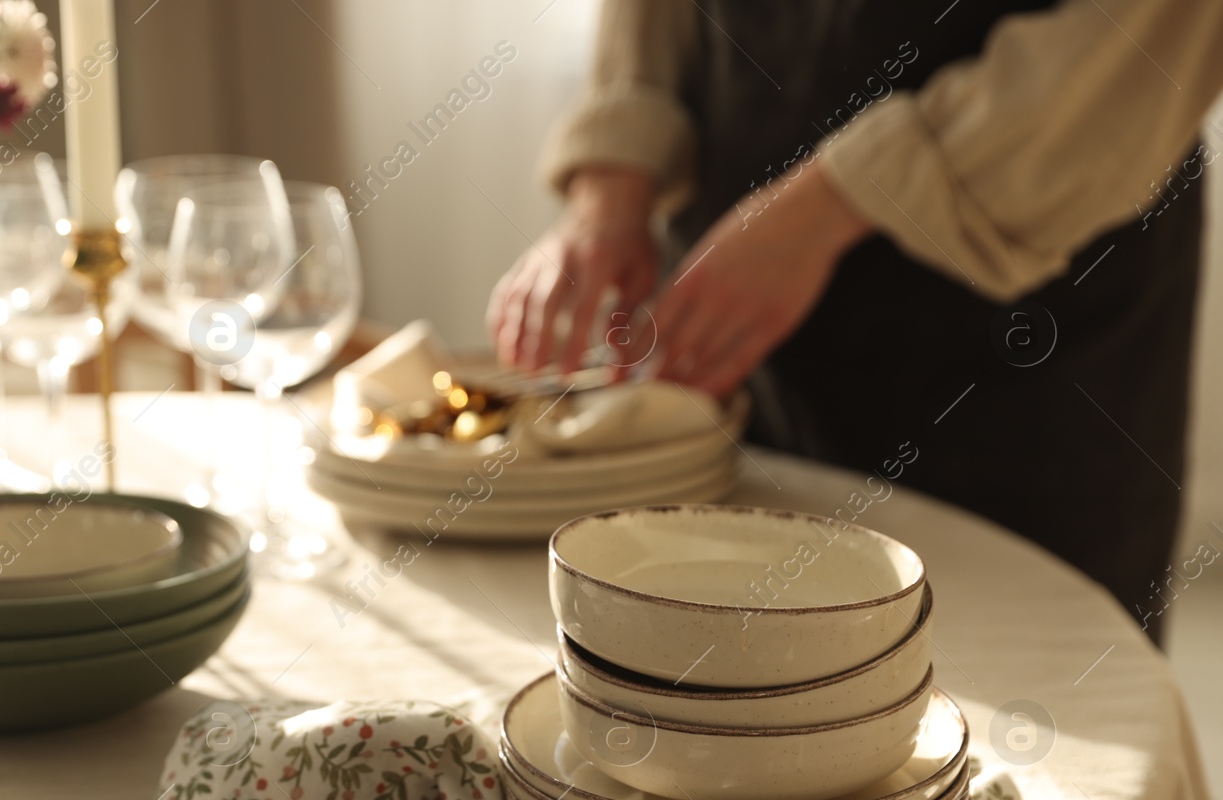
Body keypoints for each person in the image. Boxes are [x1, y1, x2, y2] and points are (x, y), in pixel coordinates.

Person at [487, 0, 1223, 643]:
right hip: (739, 284)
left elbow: (1151, 27)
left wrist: (825, 210)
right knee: (742, 688)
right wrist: (615, 176)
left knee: (1031, 736)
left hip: (1033, 317)